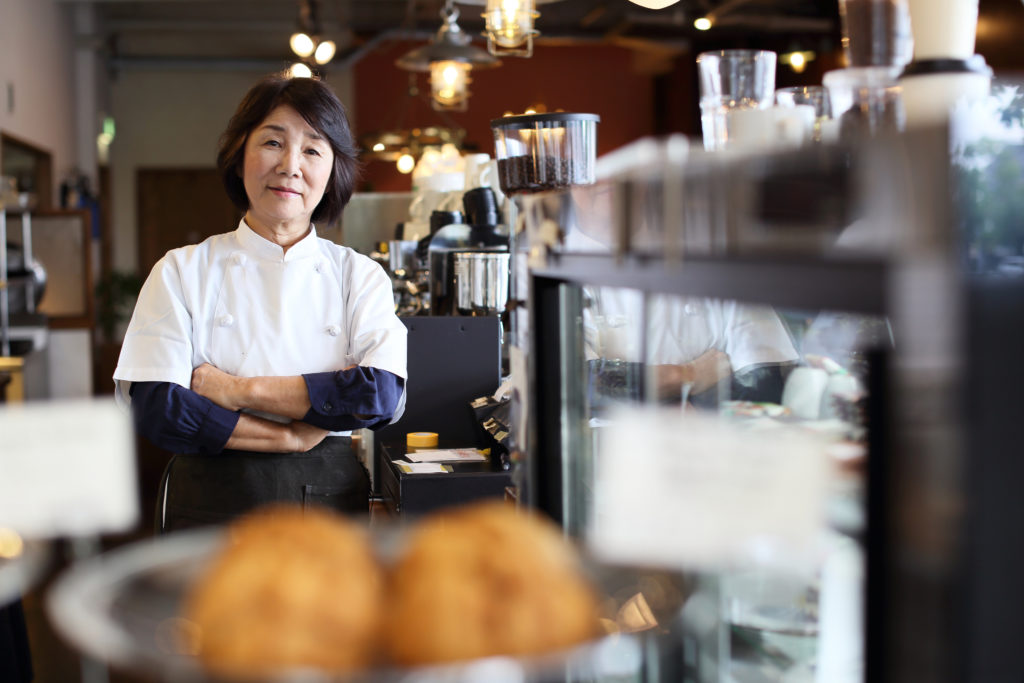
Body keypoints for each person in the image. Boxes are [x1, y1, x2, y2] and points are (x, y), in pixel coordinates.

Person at [113, 73, 407, 531]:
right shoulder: (182, 270)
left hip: (326, 501)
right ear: (240, 155)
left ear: (333, 171)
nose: (291, 165)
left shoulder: (359, 275)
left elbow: (378, 393)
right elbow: (159, 407)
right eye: (273, 142)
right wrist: (289, 437)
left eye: (312, 149)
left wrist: (235, 390)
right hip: (207, 501)